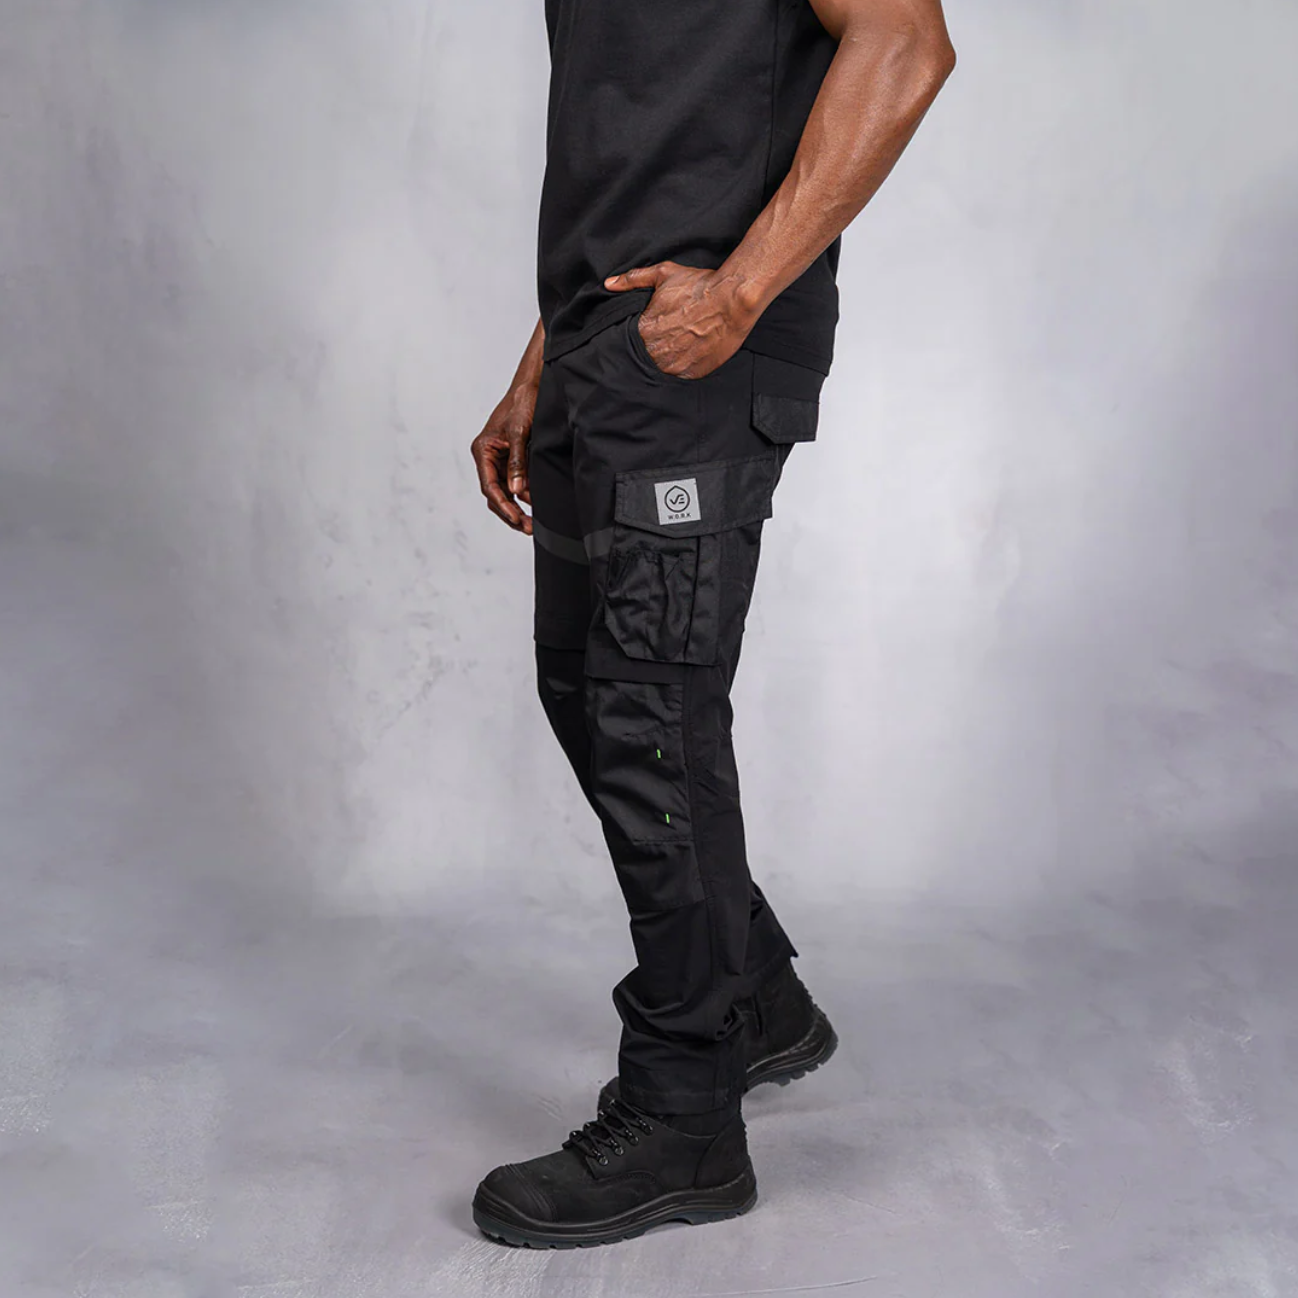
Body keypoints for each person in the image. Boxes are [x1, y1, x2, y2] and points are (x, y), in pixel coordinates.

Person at [468, 0, 955, 1249]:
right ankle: (754, 994)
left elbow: (905, 43)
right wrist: (540, 364)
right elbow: (644, 163)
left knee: (651, 715)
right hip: (601, 351)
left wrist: (736, 296)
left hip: (698, 360)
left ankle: (684, 1110)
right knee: (584, 692)